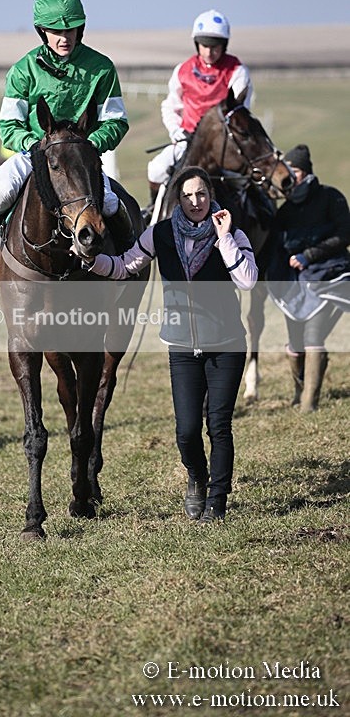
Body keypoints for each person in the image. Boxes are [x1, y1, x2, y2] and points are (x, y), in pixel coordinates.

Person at [79, 166, 258, 523]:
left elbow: (248, 280)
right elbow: (125, 265)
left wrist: (224, 239)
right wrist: (90, 260)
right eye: (189, 195)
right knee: (186, 430)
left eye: (202, 194)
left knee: (218, 426)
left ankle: (217, 502)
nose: (196, 202)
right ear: (178, 198)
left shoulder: (233, 233)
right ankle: (196, 478)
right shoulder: (159, 234)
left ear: (211, 195)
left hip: (226, 345)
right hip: (181, 347)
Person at [0, 0, 134, 291]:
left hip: (81, 159)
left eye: (71, 29)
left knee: (111, 204)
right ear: (41, 31)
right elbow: (8, 125)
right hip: (33, 155)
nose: (64, 37)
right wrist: (36, 148)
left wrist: (89, 146)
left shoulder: (102, 69)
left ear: (81, 29)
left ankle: (129, 261)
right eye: (55, 30)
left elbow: (116, 121)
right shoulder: (23, 70)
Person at [145, 10, 253, 218]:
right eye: (205, 46)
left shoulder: (237, 71)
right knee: (156, 169)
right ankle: (153, 212)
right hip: (188, 140)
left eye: (216, 46)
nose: (210, 52)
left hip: (225, 144)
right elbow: (170, 106)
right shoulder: (183, 70)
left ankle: (260, 215)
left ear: (225, 45)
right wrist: (177, 132)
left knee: (250, 176)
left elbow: (241, 112)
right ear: (197, 44)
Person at [267, 144, 350, 412]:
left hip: (330, 274)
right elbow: (274, 246)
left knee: (314, 335)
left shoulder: (331, 197)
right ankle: (298, 392)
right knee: (295, 341)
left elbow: (344, 235)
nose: (292, 175)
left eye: (297, 170)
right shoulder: (285, 210)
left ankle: (308, 404)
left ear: (308, 172)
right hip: (295, 284)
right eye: (289, 169)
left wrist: (310, 255)